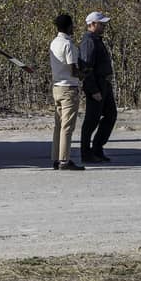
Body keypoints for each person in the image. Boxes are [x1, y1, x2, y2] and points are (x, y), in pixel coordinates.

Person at [78, 11, 116, 163]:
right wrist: (93, 90)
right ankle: (86, 153)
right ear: (92, 24)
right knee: (91, 120)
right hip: (96, 85)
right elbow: (86, 68)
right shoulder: (89, 41)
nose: (104, 26)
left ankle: (97, 148)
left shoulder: (97, 40)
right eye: (101, 24)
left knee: (111, 115)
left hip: (104, 83)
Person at [49, 14, 83, 171]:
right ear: (69, 26)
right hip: (69, 88)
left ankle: (56, 158)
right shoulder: (68, 44)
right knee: (67, 126)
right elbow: (73, 69)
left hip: (57, 87)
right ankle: (64, 160)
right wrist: (85, 74)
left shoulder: (54, 42)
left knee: (58, 125)